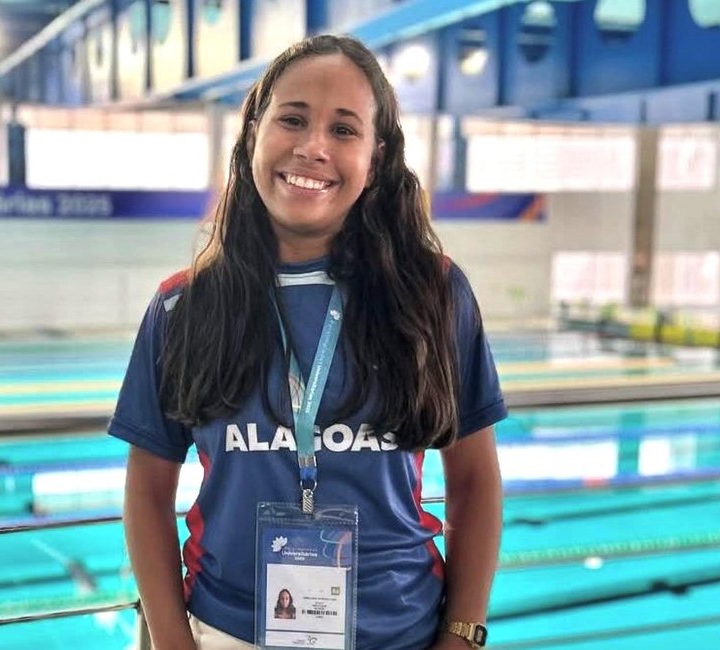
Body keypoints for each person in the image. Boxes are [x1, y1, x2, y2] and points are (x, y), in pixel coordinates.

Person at [111, 34, 506, 650]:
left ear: (377, 157)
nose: (313, 147)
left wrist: (461, 635)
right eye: (292, 119)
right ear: (252, 137)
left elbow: (476, 478)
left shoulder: (433, 294)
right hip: (226, 631)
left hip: (401, 633)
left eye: (344, 130)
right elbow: (146, 488)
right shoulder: (185, 306)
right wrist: (170, 640)